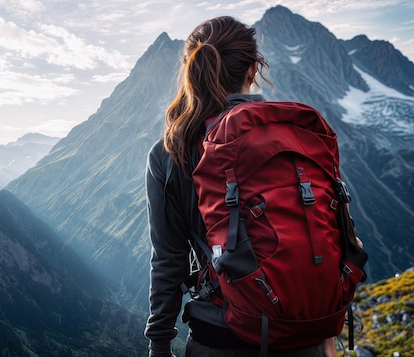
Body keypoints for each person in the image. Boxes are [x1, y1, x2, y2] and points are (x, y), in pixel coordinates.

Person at [143, 16, 338, 357]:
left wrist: (159, 344)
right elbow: (328, 232)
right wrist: (326, 331)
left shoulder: (172, 151)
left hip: (223, 335)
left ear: (192, 71)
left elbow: (169, 260)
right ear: (253, 70)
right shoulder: (298, 137)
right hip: (306, 334)